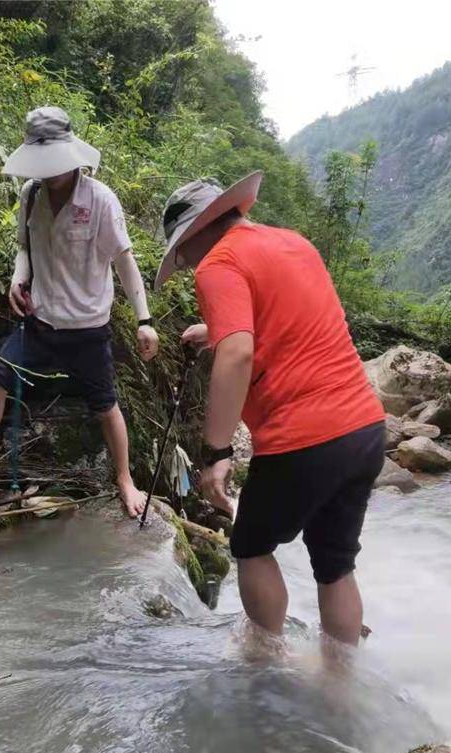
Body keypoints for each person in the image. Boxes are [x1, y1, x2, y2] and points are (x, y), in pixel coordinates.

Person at [155, 173, 385, 648]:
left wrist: (216, 451)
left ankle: (264, 669)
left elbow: (238, 355)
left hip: (302, 438)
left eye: (183, 252)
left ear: (197, 231)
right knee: (335, 563)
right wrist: (214, 329)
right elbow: (289, 320)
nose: (188, 263)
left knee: (251, 546)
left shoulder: (217, 262)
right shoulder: (292, 243)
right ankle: (341, 684)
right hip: (363, 427)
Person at [0, 106, 159, 516]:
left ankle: (125, 479)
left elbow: (125, 261)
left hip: (88, 328)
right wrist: (16, 281)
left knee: (105, 403)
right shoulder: (31, 194)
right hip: (39, 321)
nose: (49, 171)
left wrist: (145, 321)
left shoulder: (100, 199)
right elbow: (25, 247)